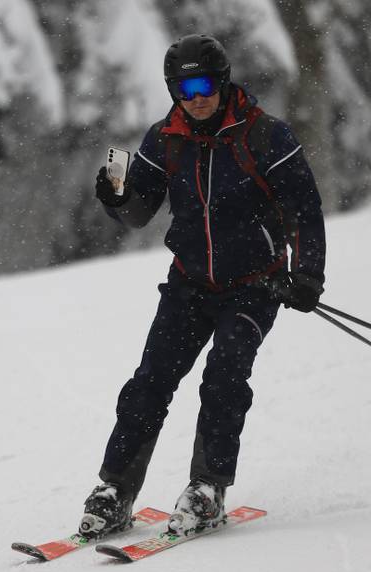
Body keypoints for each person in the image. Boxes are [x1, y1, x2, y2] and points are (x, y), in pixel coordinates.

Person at [80, 34, 327, 537]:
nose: (196, 98)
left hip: (253, 286)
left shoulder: (266, 137)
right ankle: (114, 492)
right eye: (183, 88)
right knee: (149, 382)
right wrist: (115, 197)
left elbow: (305, 209)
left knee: (224, 377)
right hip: (189, 284)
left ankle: (207, 489)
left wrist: (307, 275)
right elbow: (139, 212)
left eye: (205, 84)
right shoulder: (165, 139)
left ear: (223, 80)